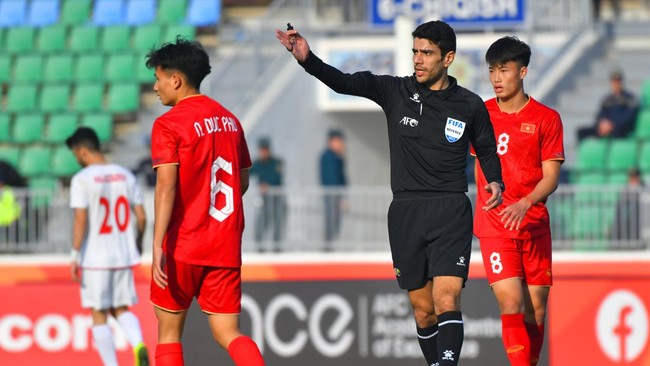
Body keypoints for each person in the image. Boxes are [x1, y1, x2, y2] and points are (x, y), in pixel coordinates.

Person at [276, 21, 504, 366]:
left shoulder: (470, 105)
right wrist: (307, 59)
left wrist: (496, 180)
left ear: (448, 58)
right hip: (405, 212)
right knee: (423, 310)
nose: (418, 59)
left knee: (446, 298)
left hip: (450, 209)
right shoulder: (394, 91)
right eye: (415, 51)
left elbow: (487, 150)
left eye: (426, 52)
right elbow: (345, 82)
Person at [146, 37, 264, 366]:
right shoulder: (230, 120)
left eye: (158, 78)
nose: (155, 87)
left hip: (183, 243)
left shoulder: (168, 124)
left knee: (169, 333)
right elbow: (241, 181)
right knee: (228, 332)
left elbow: (166, 187)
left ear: (176, 79)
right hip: (223, 243)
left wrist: (157, 244)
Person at [472, 36, 565, 365]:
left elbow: (551, 176)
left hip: (534, 226)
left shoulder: (546, 118)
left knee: (535, 311)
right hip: (495, 227)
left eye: (504, 70)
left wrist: (526, 202)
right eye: (491, 71)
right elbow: (476, 162)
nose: (496, 78)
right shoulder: (479, 114)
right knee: (511, 303)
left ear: (523, 72)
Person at [66, 127, 149, 366]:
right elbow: (141, 216)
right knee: (121, 308)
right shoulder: (126, 175)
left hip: (95, 258)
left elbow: (81, 218)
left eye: (76, 154)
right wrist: (137, 242)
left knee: (98, 313)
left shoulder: (82, 179)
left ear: (82, 151)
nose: (77, 159)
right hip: (123, 255)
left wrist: (74, 254)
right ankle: (139, 344)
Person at [577, 68, 640, 141]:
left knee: (619, 132)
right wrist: (602, 124)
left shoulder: (629, 98)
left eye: (618, 81)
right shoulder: (607, 100)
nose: (616, 84)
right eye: (613, 81)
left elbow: (629, 117)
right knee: (581, 132)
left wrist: (612, 125)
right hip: (605, 129)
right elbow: (599, 116)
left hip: (619, 129)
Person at [250, 137, 286, 252]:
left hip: (277, 199)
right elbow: (246, 173)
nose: (264, 152)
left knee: (277, 223)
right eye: (262, 149)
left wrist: (267, 186)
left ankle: (277, 249)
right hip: (265, 200)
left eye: (265, 149)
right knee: (261, 223)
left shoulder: (277, 163)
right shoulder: (257, 164)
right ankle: (260, 248)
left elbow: (277, 177)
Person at [320, 129, 347, 249]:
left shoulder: (336, 157)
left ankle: (330, 246)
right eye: (338, 141)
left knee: (335, 221)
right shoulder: (329, 157)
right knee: (332, 220)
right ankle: (328, 247)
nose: (341, 144)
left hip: (336, 194)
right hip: (333, 195)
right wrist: (340, 198)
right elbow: (333, 178)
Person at [611, 168, 644, 243]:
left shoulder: (644, 187)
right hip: (629, 214)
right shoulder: (626, 187)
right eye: (632, 177)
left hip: (639, 215)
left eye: (635, 177)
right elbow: (622, 201)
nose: (633, 179)